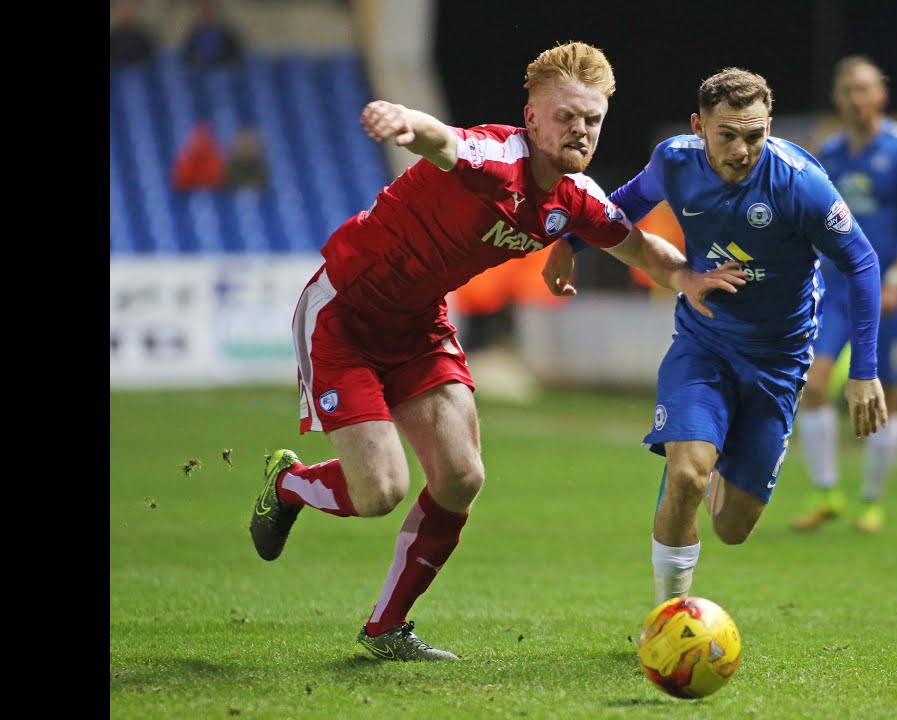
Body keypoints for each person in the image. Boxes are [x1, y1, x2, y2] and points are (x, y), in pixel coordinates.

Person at [248, 41, 742, 663]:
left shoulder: (575, 200)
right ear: (532, 118)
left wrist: (690, 279)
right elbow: (443, 141)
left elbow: (642, 249)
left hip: (419, 326)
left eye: (592, 120)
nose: (581, 130)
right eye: (567, 116)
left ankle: (385, 632)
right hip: (344, 314)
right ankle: (289, 483)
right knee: (379, 492)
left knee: (461, 478)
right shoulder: (496, 156)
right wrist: (406, 122)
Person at [543, 67, 888, 607]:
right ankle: (667, 617)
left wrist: (864, 371)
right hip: (705, 339)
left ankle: (707, 446)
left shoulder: (800, 183)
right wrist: (570, 242)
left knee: (731, 526)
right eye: (727, 134)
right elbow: (624, 206)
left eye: (755, 135)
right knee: (685, 477)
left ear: (768, 126)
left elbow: (862, 262)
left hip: (779, 359)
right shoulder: (674, 161)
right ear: (698, 126)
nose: (742, 149)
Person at [789, 55, 897, 533]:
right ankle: (826, 492)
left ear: (882, 94)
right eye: (848, 90)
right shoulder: (829, 154)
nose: (857, 99)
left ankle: (871, 502)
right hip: (832, 290)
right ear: (837, 98)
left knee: (887, 397)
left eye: (865, 89)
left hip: (885, 290)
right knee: (813, 385)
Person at [180, 0, 244, 71]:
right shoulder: (194, 34)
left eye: (209, 12)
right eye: (204, 12)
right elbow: (186, 55)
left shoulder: (226, 34)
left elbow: (234, 55)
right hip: (199, 71)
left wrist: (218, 63)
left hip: (220, 70)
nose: (206, 15)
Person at [171, 122, 226, 192]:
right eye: (199, 139)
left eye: (205, 138)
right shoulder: (187, 161)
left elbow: (218, 179)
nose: (202, 142)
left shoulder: (215, 161)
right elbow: (180, 181)